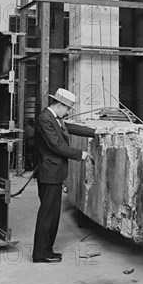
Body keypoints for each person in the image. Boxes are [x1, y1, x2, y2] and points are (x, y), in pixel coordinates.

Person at [32, 88, 93, 263]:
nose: (67, 113)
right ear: (59, 105)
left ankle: (46, 250)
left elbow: (70, 128)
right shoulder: (45, 119)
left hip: (54, 173)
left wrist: (94, 133)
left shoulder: (54, 118)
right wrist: (80, 154)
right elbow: (56, 146)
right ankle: (41, 254)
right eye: (67, 109)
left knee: (52, 214)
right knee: (47, 214)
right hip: (49, 173)